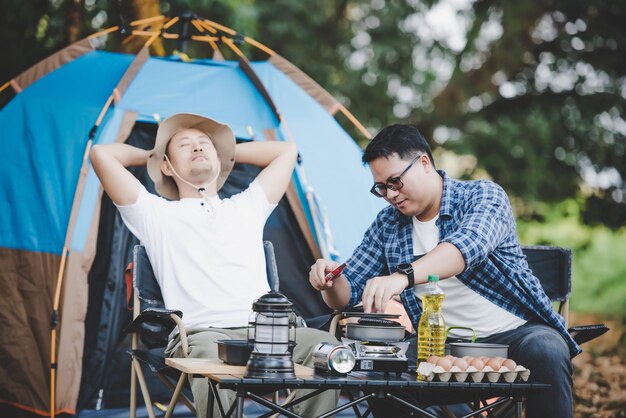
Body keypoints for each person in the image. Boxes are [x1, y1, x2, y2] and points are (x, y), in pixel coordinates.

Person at [309, 124, 579, 417]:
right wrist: (329, 280)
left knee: (548, 349)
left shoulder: (483, 196)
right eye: (381, 187)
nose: (390, 194)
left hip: (515, 336)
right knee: (382, 373)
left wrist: (402, 277)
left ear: (424, 162)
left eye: (395, 181)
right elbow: (345, 296)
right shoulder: (387, 224)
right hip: (439, 345)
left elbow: (464, 250)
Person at [90, 113, 339, 417]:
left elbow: (286, 150)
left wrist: (224, 153)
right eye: (185, 145)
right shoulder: (154, 214)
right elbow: (100, 154)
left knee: (328, 350)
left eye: (204, 144)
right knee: (211, 363)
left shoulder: (248, 206)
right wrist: (154, 155)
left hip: (270, 332)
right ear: (167, 166)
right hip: (202, 335)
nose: (197, 148)